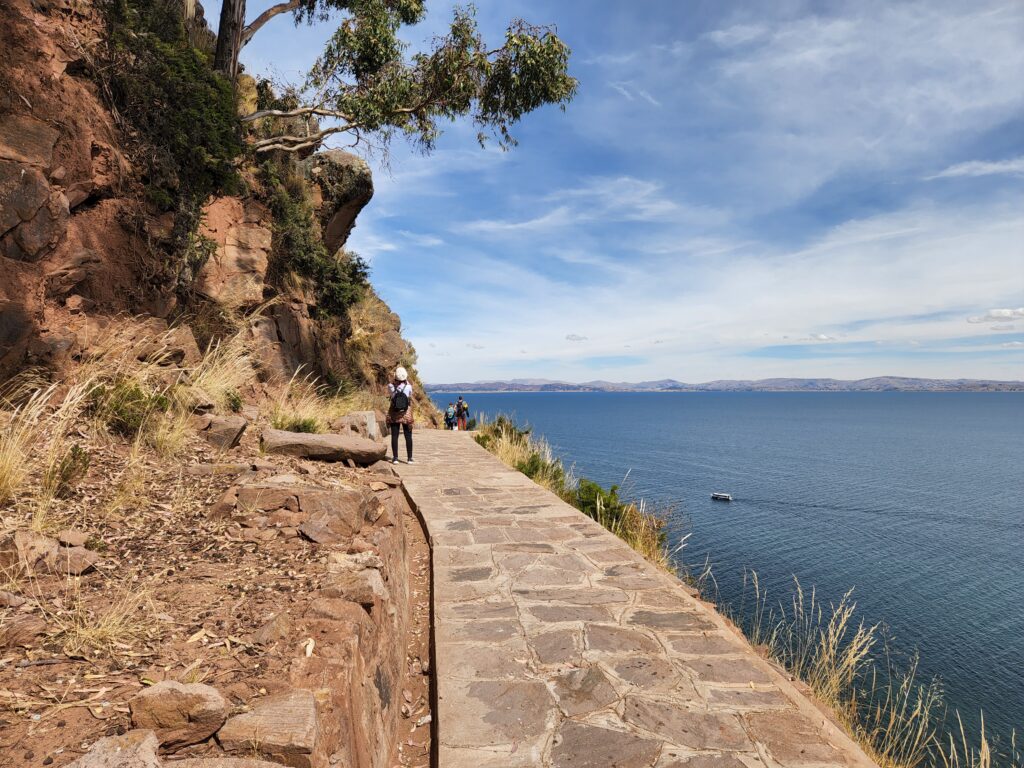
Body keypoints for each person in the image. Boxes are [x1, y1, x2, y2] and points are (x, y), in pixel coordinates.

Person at [387, 366, 414, 463]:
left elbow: (390, 394)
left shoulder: (391, 386)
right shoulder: (408, 386)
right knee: (408, 436)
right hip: (406, 413)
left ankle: (395, 458)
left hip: (394, 412)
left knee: (394, 435)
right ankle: (409, 458)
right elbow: (410, 395)